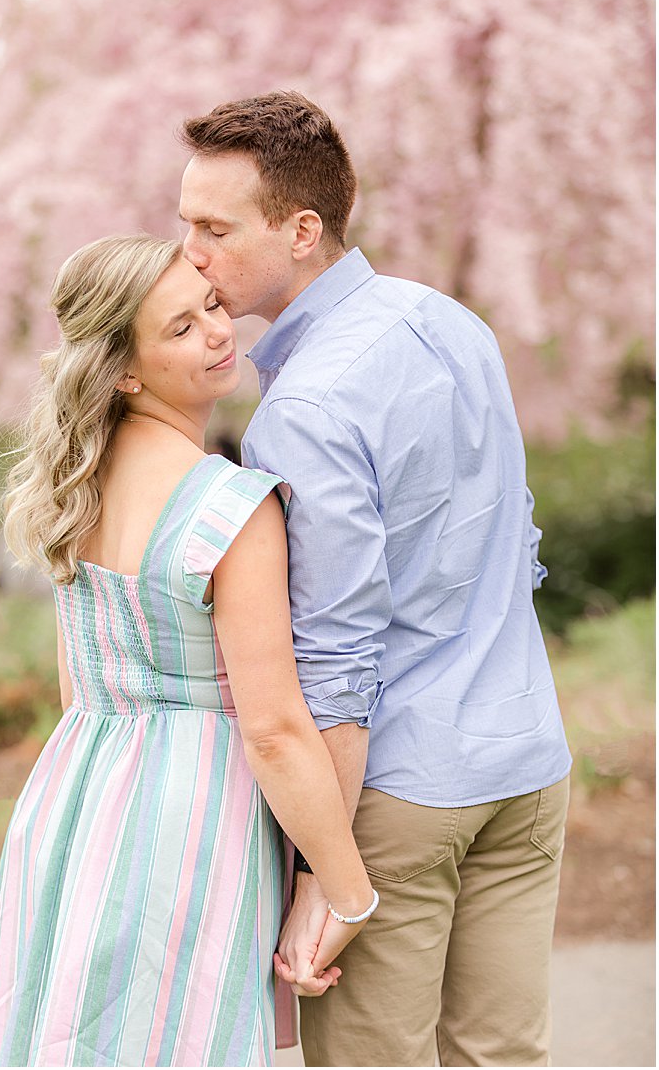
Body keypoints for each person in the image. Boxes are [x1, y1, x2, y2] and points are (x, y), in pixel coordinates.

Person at [178, 91, 571, 1066]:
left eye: (213, 228)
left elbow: (336, 654)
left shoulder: (303, 406)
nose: (189, 252)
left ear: (300, 229)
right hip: (525, 756)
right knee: (501, 1054)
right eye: (186, 224)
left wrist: (326, 864)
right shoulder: (450, 321)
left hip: (398, 790)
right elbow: (514, 545)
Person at [0, 235, 376, 1067]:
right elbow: (274, 730)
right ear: (125, 368)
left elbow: (74, 678)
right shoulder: (231, 505)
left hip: (76, 801)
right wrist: (347, 889)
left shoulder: (72, 484)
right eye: (180, 329)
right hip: (194, 822)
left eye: (213, 307)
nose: (219, 332)